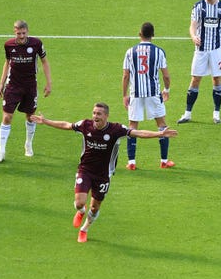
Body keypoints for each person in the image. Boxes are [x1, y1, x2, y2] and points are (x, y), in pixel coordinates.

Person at [30, 103, 178, 243]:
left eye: (99, 114)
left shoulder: (116, 130)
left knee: (95, 207)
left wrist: (158, 134)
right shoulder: (85, 125)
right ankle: (81, 211)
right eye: (94, 113)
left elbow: (138, 133)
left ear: (106, 116)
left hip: (103, 175)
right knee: (79, 202)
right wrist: (45, 121)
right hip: (85, 170)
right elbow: (66, 125)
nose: (95, 116)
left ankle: (84, 229)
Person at [0, 20, 52, 163]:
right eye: (18, 33)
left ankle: (28, 144)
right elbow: (7, 62)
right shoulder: (8, 45)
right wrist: (1, 83)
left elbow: (45, 62)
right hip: (13, 85)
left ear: (28, 31)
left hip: (30, 85)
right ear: (14, 32)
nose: (21, 36)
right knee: (7, 117)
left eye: (24, 33)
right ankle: (1, 151)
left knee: (30, 116)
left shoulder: (36, 44)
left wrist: (48, 83)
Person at [122, 22, 175, 170]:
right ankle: (164, 161)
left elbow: (126, 76)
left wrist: (124, 95)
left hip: (135, 94)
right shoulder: (159, 52)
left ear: (140, 34)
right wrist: (167, 90)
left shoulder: (129, 52)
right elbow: (166, 76)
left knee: (133, 126)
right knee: (161, 124)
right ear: (153, 35)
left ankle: (131, 163)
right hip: (153, 94)